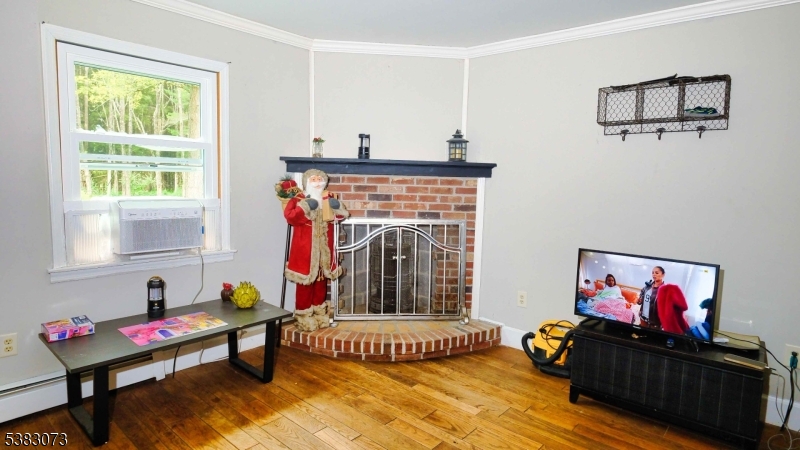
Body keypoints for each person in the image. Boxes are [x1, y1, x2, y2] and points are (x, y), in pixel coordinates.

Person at [283, 169, 349, 332]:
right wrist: (305, 206)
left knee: (321, 283)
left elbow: (340, 218)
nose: (318, 182)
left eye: (320, 179)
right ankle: (304, 317)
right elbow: (290, 217)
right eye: (314, 179)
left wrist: (338, 208)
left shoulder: (329, 198)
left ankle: (320, 313)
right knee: (305, 284)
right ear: (307, 182)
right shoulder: (299, 199)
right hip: (306, 250)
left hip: (324, 251)